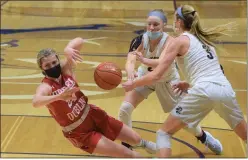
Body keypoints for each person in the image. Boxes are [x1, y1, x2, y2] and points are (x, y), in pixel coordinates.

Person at [122, 5, 247, 157]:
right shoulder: (205, 42)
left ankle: (203, 136)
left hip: (171, 82)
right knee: (245, 135)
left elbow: (158, 72)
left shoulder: (175, 41)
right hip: (224, 89)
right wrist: (188, 84)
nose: (152, 27)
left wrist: (133, 82)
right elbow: (215, 71)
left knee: (165, 132)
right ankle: (127, 145)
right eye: (149, 24)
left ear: (177, 23)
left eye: (156, 24)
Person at [32, 37, 156, 158]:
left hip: (93, 114)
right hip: (80, 132)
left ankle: (144, 144)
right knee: (126, 153)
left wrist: (68, 48)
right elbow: (36, 102)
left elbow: (79, 40)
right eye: (47, 65)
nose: (52, 66)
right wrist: (59, 96)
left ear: (58, 60)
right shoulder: (46, 86)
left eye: (54, 62)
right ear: (42, 68)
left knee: (135, 138)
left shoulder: (65, 69)